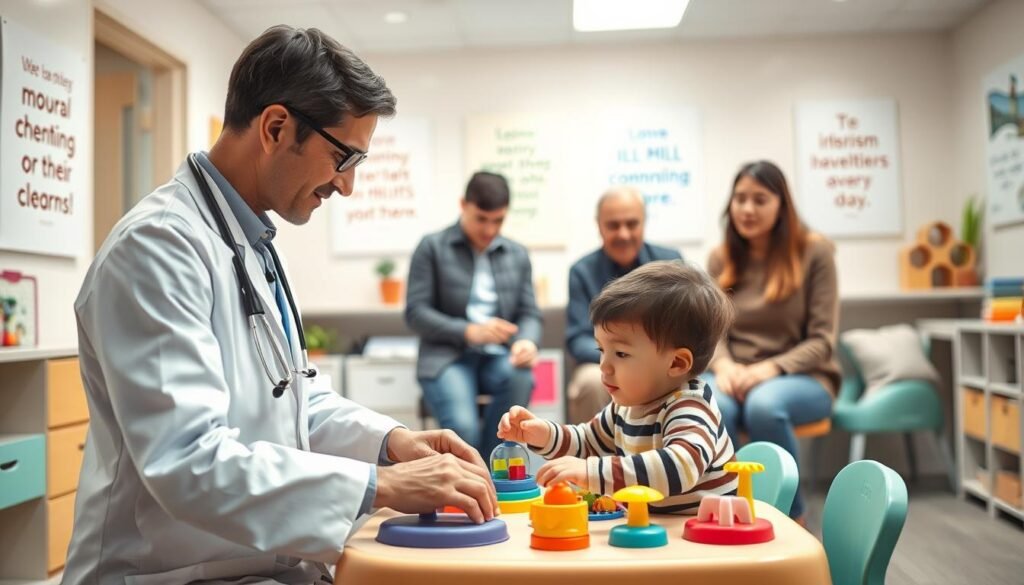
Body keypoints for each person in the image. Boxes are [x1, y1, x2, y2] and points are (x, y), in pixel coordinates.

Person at [64, 26, 497, 585]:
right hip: (169, 571)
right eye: (344, 158)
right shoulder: (157, 248)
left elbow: (293, 399)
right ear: (275, 127)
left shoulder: (252, 243)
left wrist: (391, 443)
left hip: (250, 563)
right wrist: (378, 487)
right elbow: (188, 462)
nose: (347, 187)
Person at [499, 261, 737, 513]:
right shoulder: (625, 406)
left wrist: (591, 472)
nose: (604, 365)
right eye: (601, 350)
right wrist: (542, 434)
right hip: (654, 530)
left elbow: (680, 466)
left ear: (677, 363)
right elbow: (587, 442)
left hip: (703, 539)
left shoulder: (690, 406)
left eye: (621, 353)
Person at [705, 160, 839, 523]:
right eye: (740, 199)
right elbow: (713, 333)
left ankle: (789, 517)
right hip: (733, 376)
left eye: (760, 199)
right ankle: (727, 513)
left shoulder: (815, 252)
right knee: (713, 407)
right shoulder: (721, 257)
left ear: (782, 204)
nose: (748, 209)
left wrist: (770, 368)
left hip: (805, 377)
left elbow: (822, 341)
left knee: (763, 405)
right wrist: (725, 365)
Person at [405, 171, 541, 458]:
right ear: (463, 205)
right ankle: (472, 486)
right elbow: (416, 313)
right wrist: (469, 331)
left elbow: (529, 313)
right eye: (481, 219)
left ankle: (493, 478)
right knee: (463, 429)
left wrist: (526, 342)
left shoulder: (517, 254)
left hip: (498, 357)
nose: (490, 230)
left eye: (498, 221)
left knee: (521, 378)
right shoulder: (432, 247)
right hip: (446, 358)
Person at [565, 187, 681, 423]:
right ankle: (592, 460)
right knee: (589, 382)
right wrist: (622, 358)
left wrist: (647, 360)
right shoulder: (581, 271)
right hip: (601, 365)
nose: (624, 234)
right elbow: (578, 339)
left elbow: (684, 329)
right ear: (599, 225)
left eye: (632, 224)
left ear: (644, 223)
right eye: (613, 225)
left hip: (660, 365)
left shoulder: (672, 264)